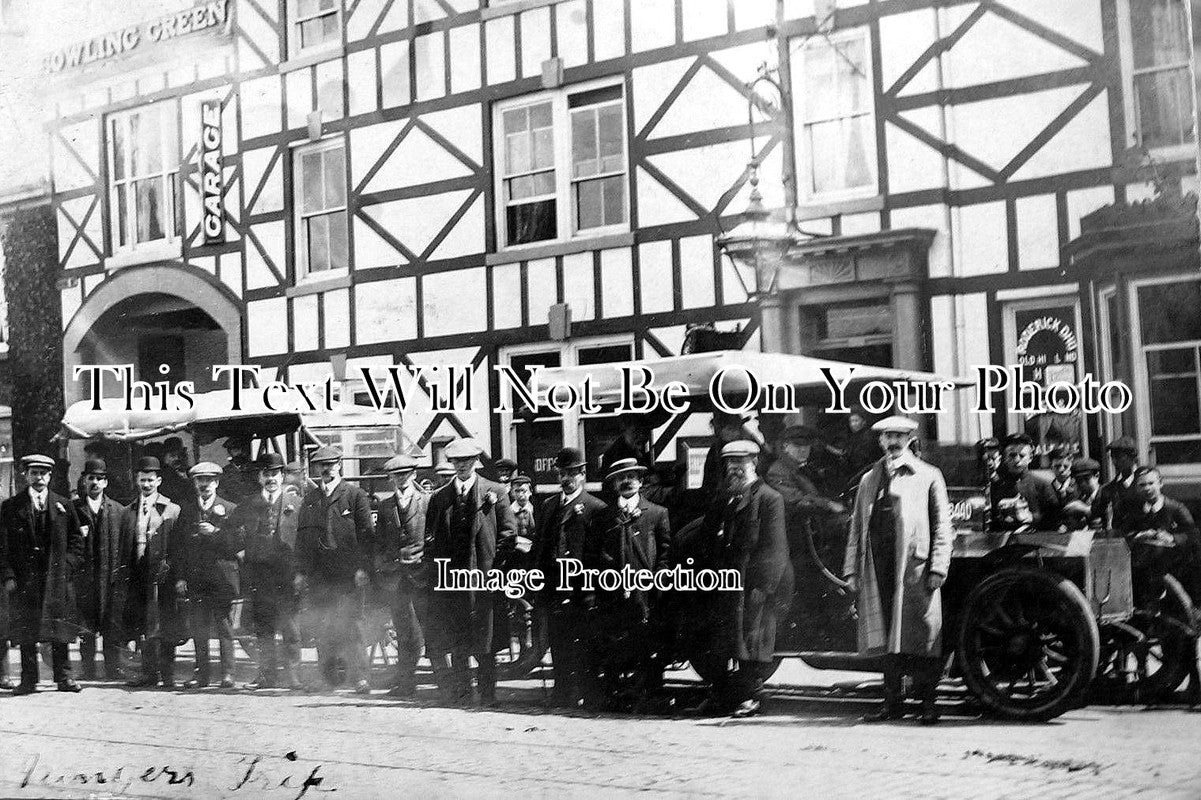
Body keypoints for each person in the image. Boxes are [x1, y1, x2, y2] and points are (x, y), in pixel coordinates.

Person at [843, 417, 953, 725]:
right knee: (887, 639)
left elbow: (943, 526)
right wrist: (852, 570)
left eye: (898, 436)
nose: (892, 442)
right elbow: (856, 527)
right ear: (880, 441)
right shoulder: (869, 479)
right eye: (887, 436)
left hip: (914, 569)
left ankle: (928, 703)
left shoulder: (929, 475)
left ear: (909, 439)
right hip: (878, 568)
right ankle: (892, 702)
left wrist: (938, 566)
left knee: (923, 636)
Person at [686, 440, 790, 719]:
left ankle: (753, 697)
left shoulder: (770, 499)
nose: (734, 470)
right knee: (721, 640)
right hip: (722, 582)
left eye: (740, 463)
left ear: (754, 463)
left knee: (752, 641)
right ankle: (720, 694)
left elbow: (776, 549)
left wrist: (764, 587)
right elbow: (705, 540)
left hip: (752, 585)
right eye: (730, 464)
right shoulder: (723, 500)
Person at [425, 438, 515, 705]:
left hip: (485, 579)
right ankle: (462, 694)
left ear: (475, 461)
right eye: (456, 461)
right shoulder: (440, 498)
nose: (461, 466)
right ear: (451, 463)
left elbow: (508, 533)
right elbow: (431, 539)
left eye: (467, 460)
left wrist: (494, 569)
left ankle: (488, 695)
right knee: (458, 640)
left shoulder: (495, 491)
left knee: (486, 639)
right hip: (453, 582)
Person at [1, 454, 85, 694]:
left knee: (58, 628)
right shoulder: (11, 507)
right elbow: (3, 546)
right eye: (34, 473)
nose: (39, 478)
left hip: (56, 579)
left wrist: (67, 567)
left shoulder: (64, 505)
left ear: (50, 476)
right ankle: (29, 679)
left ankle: (64, 677)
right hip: (24, 581)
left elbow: (77, 542)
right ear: (26, 475)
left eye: (43, 474)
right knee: (26, 630)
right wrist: (8, 575)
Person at [296, 446, 375, 694]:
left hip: (349, 575)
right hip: (321, 575)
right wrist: (301, 572)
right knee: (324, 627)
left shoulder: (354, 495)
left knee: (353, 625)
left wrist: (363, 568)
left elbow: (367, 536)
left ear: (339, 464)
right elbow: (303, 539)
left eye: (331, 464)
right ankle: (327, 678)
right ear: (317, 469)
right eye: (322, 465)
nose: (326, 469)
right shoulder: (310, 499)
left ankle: (359, 677)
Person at [595, 458, 672, 711]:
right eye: (621, 477)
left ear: (640, 481)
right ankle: (616, 695)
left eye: (632, 476)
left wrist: (659, 578)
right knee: (615, 642)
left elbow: (665, 551)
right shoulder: (605, 516)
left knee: (646, 641)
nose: (626, 481)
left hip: (645, 591)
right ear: (615, 484)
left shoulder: (657, 513)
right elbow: (599, 552)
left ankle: (648, 696)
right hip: (613, 590)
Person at [533, 446, 607, 709]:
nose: (567, 478)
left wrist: (593, 589)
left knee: (586, 643)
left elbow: (600, 556)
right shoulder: (549, 506)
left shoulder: (596, 508)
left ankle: (589, 694)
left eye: (573, 473)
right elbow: (540, 548)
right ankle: (563, 692)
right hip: (554, 588)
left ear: (583, 474)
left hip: (581, 588)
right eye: (563, 473)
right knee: (558, 641)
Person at [229, 453, 302, 691]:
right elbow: (229, 530)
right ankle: (267, 676)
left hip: (286, 575)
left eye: (275, 474)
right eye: (267, 474)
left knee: (290, 627)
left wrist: (300, 571)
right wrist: (239, 550)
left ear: (282, 476)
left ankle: (294, 677)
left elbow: (303, 540)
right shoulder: (249, 504)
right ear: (260, 477)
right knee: (263, 628)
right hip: (259, 575)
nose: (271, 478)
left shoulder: (296, 504)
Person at [119, 456, 184, 689]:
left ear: (159, 481)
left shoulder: (172, 509)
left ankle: (167, 675)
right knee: (144, 626)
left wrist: (174, 573)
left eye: (150, 480)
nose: (146, 485)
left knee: (165, 624)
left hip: (163, 576)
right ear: (137, 480)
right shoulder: (129, 511)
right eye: (142, 480)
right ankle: (149, 674)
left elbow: (179, 546)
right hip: (138, 575)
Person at [177, 462, 240, 689]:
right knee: (199, 628)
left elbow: (237, 544)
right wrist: (181, 577)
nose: (204, 485)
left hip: (221, 578)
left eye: (209, 481)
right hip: (196, 578)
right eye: (199, 481)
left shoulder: (230, 509)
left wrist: (216, 533)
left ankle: (228, 674)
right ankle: (202, 674)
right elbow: (180, 547)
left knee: (224, 626)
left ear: (217, 483)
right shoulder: (187, 509)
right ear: (194, 484)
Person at [373, 453, 430, 698]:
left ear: (414, 474)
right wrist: (385, 566)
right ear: (391, 479)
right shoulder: (386, 506)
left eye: (406, 474)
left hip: (421, 574)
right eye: (397, 475)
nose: (401, 479)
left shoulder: (426, 501)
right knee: (404, 629)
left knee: (424, 628)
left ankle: (439, 681)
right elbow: (381, 541)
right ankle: (406, 682)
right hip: (395, 577)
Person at [72, 457, 126, 680]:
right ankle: (88, 670)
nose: (94, 482)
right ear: (84, 481)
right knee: (86, 626)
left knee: (111, 625)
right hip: (84, 579)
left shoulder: (119, 511)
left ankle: (113, 668)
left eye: (99, 479)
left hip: (110, 577)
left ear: (105, 483)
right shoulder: (73, 509)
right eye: (91, 478)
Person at [765, 424, 847, 521]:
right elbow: (796, 501)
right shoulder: (778, 471)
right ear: (785, 447)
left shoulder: (804, 468)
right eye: (797, 446)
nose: (803, 450)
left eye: (806, 445)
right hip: (795, 527)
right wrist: (828, 504)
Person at [989, 433, 1059, 531]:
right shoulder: (996, 486)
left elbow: (1055, 517)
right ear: (1004, 458)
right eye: (1012, 456)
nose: (1017, 460)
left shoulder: (1042, 485)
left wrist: (1033, 517)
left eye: (1022, 456)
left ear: (1030, 458)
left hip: (1035, 540)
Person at [1094, 436, 1140, 529]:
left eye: (1119, 457)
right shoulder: (1107, 490)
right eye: (1112, 457)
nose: (1114, 462)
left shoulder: (1144, 484)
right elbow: (1099, 517)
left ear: (1133, 457)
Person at [831, 408, 883, 485]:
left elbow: (861, 459)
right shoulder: (855, 437)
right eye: (851, 421)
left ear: (864, 422)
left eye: (856, 421)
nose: (853, 424)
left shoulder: (867, 437)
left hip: (864, 476)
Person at [1061, 458, 1103, 530]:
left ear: (1097, 475)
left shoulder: (1106, 494)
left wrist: (1085, 510)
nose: (1082, 484)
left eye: (1086, 479)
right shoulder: (1079, 498)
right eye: (1079, 480)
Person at [220, 436, 255, 504]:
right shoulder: (225, 471)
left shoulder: (254, 468)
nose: (238, 453)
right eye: (234, 450)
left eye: (239, 449)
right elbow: (221, 492)